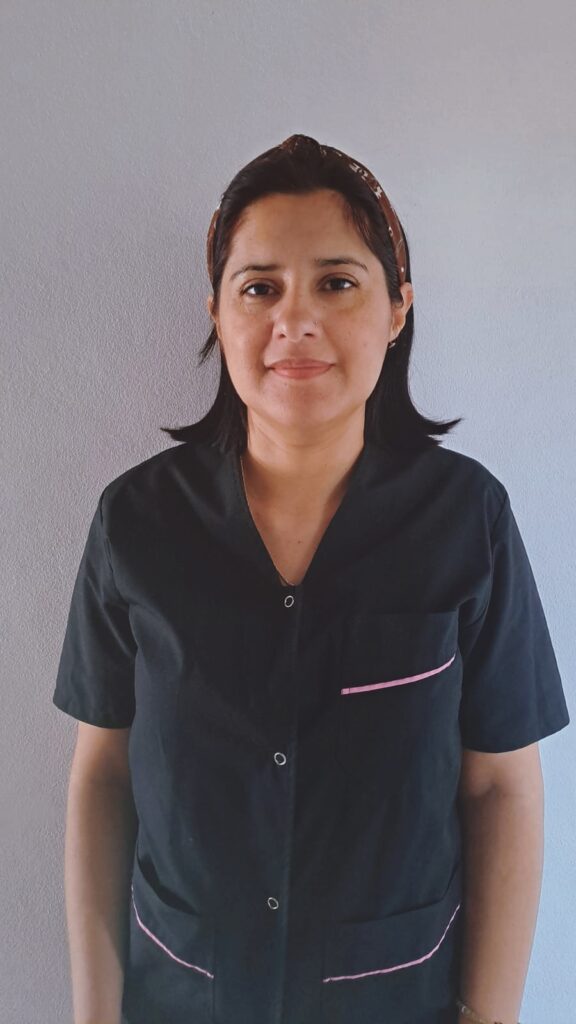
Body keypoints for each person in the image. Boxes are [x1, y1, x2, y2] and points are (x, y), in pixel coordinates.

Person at [52, 134, 570, 1024]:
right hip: (184, 996)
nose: (295, 320)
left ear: (398, 309)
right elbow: (103, 775)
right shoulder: (135, 522)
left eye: (337, 282)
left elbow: (501, 786)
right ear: (217, 312)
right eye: (260, 288)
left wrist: (489, 1016)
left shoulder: (467, 519)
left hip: (395, 998)